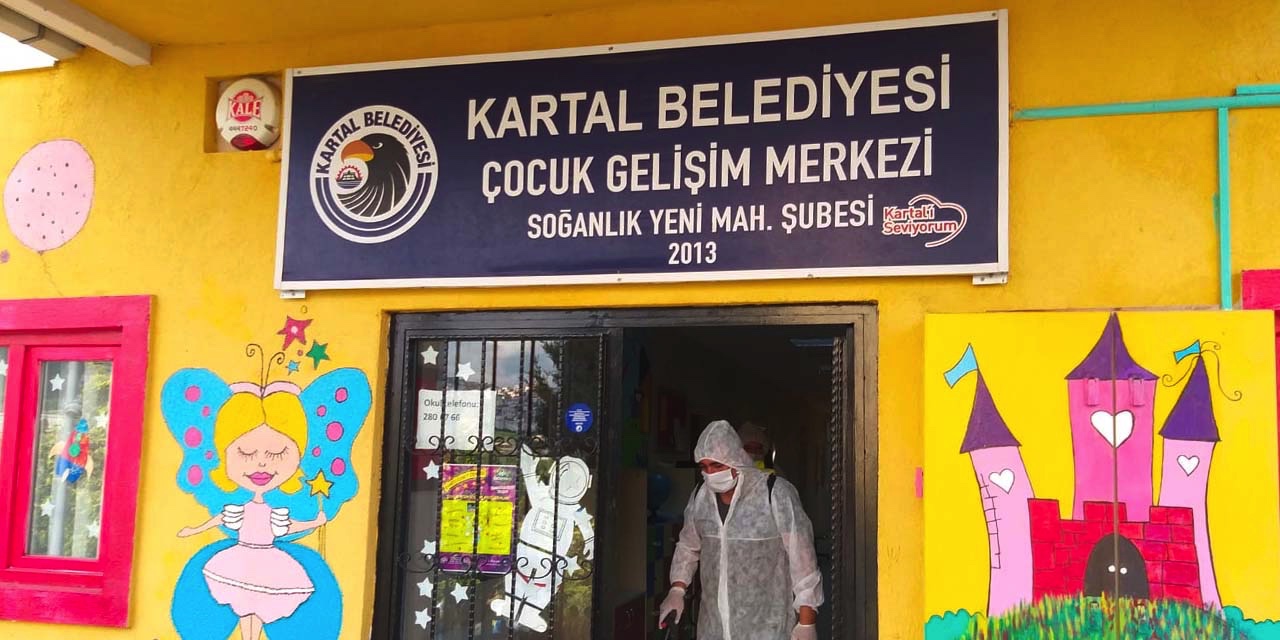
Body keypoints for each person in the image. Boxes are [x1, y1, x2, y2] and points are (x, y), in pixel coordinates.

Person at [659, 420, 823, 640]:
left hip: (767, 629)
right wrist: (677, 589)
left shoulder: (775, 494)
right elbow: (688, 546)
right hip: (713, 628)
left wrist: (806, 622)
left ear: (735, 459)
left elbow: (803, 564)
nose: (710, 474)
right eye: (704, 467)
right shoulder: (701, 497)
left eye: (717, 466)